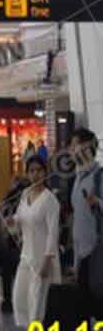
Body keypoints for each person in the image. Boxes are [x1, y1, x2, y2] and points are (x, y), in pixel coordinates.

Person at [10, 155, 61, 326]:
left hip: (42, 259)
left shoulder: (50, 200)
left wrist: (48, 260)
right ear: (27, 174)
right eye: (32, 171)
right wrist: (13, 222)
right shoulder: (25, 194)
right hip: (25, 257)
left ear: (45, 172)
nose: (35, 174)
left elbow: (53, 233)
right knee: (19, 298)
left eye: (39, 170)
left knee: (37, 306)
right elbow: (20, 219)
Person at [69, 127, 103, 317]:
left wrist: (97, 201)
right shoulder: (78, 178)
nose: (72, 150)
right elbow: (77, 220)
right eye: (71, 146)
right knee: (83, 309)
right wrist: (75, 262)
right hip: (82, 254)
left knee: (98, 308)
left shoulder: (99, 176)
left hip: (97, 251)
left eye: (76, 145)